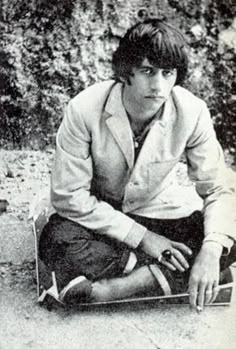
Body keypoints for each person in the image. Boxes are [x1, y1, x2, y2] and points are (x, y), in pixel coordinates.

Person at [39, 18, 236, 311]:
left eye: (167, 73)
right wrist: (145, 240)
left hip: (156, 213)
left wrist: (210, 250)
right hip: (97, 221)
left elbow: (219, 188)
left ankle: (115, 288)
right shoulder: (84, 109)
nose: (158, 85)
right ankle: (169, 274)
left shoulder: (192, 112)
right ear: (126, 71)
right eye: (147, 71)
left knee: (225, 232)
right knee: (55, 238)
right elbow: (69, 197)